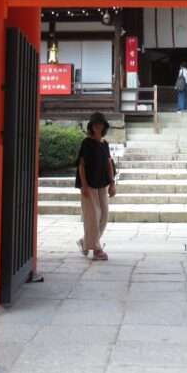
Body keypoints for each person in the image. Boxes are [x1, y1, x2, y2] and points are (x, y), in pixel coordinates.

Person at [76, 112, 117, 261]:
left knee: (104, 216)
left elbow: (109, 164)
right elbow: (81, 165)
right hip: (89, 184)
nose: (98, 126)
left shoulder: (105, 144)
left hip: (102, 184)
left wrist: (112, 184)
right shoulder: (86, 143)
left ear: (104, 126)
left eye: (100, 124)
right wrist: (84, 185)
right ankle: (96, 249)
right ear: (91, 126)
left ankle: (85, 242)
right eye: (95, 124)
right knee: (93, 217)